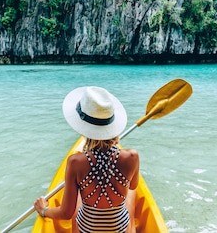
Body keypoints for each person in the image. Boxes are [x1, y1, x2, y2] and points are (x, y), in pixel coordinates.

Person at [34, 86, 139, 233]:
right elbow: (133, 185)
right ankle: (131, 226)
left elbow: (66, 213)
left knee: (78, 201)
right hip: (120, 228)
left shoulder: (75, 162)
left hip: (87, 229)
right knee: (131, 194)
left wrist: (44, 210)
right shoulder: (132, 157)